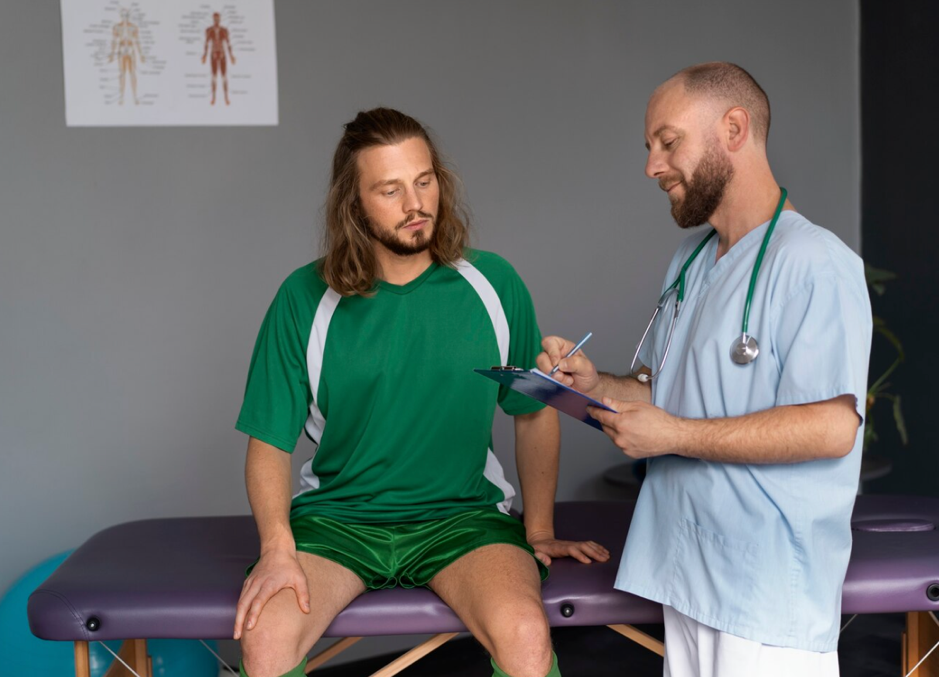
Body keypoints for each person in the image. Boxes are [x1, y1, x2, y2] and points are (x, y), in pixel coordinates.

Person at [233, 107, 609, 677]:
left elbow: (534, 411)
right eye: (390, 190)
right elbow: (268, 442)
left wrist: (539, 530)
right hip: (339, 520)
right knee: (265, 640)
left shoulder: (494, 284)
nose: (417, 204)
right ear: (353, 204)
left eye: (425, 181)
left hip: (464, 520)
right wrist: (277, 550)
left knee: (527, 637)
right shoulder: (304, 298)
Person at [539, 62, 871, 677]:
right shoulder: (689, 262)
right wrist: (592, 384)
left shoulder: (814, 263)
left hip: (766, 592)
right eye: (649, 148)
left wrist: (676, 436)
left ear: (735, 129)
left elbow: (832, 428)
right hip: (689, 576)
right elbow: (657, 389)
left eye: (669, 143)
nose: (652, 166)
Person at [202, 12, 235, 105]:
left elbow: (228, 43)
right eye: (215, 19)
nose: (216, 20)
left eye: (218, 19)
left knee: (224, 77)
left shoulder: (224, 30)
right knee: (214, 77)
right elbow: (206, 43)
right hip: (213, 55)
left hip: (222, 55)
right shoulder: (209, 30)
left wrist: (231, 56)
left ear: (220, 19)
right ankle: (213, 98)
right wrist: (204, 55)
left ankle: (226, 97)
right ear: (213, 19)